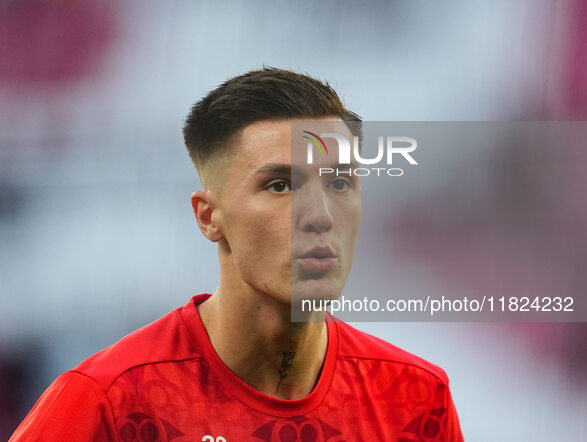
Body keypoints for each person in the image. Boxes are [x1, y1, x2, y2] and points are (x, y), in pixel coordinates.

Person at [10, 68, 463, 441]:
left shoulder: (417, 398)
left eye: (340, 183)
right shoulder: (110, 399)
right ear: (209, 218)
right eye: (280, 185)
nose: (321, 215)